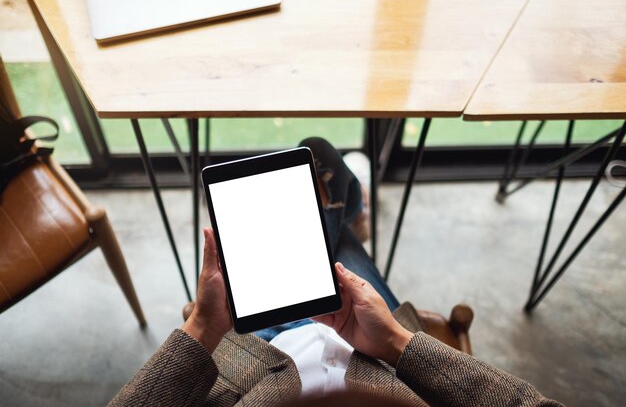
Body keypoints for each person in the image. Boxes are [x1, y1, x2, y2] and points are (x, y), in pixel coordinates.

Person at [108, 138, 563, 407]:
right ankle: (343, 207)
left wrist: (206, 325)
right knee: (321, 170)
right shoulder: (386, 343)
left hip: (260, 346)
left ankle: (341, 206)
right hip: (371, 344)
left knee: (317, 173)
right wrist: (397, 342)